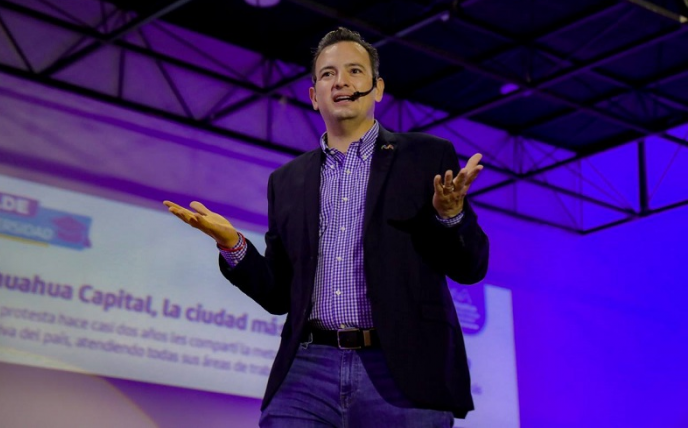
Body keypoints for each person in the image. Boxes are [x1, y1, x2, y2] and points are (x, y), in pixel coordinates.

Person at [164, 27, 489, 427]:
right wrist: (233, 245)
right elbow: (278, 294)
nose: (341, 82)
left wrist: (450, 214)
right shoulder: (287, 180)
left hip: (402, 367)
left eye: (355, 71)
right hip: (307, 368)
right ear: (314, 95)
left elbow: (470, 267)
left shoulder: (425, 156)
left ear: (377, 88)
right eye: (328, 74)